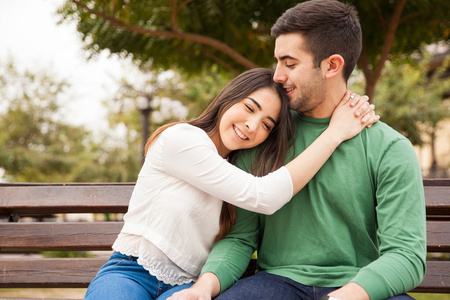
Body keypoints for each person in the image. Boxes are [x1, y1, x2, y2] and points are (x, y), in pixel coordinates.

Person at [168, 1, 426, 300]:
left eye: (290, 64)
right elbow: (240, 239)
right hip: (275, 284)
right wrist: (202, 289)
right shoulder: (264, 134)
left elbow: (406, 255)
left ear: (332, 65)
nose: (277, 75)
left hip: (359, 288)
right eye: (277, 62)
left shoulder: (390, 148)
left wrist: (347, 295)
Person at [84, 67, 376, 300]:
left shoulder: (239, 170)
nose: (252, 125)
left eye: (266, 124)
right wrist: (334, 132)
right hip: (132, 271)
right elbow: (264, 196)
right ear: (229, 97)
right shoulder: (183, 139)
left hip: (189, 285)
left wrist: (343, 105)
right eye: (249, 108)